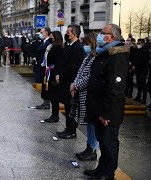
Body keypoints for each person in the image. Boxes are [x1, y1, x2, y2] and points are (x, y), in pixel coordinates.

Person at [84, 24, 129, 179]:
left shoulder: (117, 56)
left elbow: (115, 89)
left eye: (103, 33)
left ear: (112, 37)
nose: (100, 35)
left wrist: (105, 114)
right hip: (98, 108)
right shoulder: (105, 53)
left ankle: (108, 173)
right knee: (102, 142)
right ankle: (101, 169)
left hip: (108, 112)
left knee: (110, 143)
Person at [70, 33, 99, 161]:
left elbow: (89, 77)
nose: (84, 46)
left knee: (92, 123)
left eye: (86, 43)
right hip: (82, 93)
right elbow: (80, 72)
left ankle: (93, 149)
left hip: (89, 94)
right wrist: (74, 84)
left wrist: (76, 86)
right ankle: (88, 147)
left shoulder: (95, 57)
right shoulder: (88, 56)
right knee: (88, 122)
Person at [55, 24, 84, 139]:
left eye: (68, 33)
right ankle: (68, 128)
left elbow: (74, 67)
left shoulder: (78, 48)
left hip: (71, 82)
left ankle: (72, 131)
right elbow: (62, 62)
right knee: (67, 107)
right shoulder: (68, 45)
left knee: (71, 107)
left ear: (75, 34)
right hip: (65, 81)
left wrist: (71, 82)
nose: (66, 34)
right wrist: (59, 74)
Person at [41, 31, 64, 123]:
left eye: (52, 36)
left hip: (54, 72)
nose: (50, 37)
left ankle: (55, 115)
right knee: (51, 94)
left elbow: (58, 61)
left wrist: (55, 73)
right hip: (50, 71)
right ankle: (54, 114)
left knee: (54, 95)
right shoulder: (52, 46)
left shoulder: (58, 47)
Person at [35, 27, 52, 110]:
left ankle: (47, 102)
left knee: (45, 85)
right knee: (43, 84)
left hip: (46, 67)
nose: (40, 34)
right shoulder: (43, 42)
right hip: (41, 66)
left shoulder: (48, 42)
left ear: (46, 33)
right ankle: (45, 102)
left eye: (42, 32)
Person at [133, 39, 149, 104]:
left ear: (143, 43)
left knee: (143, 85)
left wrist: (144, 72)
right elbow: (137, 60)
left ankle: (144, 99)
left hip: (143, 71)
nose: (138, 44)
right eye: (137, 43)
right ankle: (138, 96)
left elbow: (144, 62)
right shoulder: (138, 50)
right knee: (139, 85)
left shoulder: (146, 51)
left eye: (139, 43)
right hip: (138, 70)